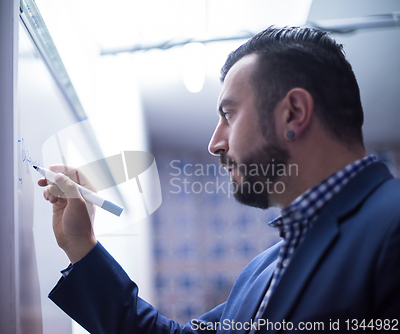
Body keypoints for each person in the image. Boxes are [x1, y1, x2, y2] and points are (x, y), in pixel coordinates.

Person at [38, 27, 400, 333]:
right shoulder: (261, 270)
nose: (214, 144)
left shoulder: (391, 226)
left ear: (293, 113)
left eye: (229, 114)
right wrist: (80, 245)